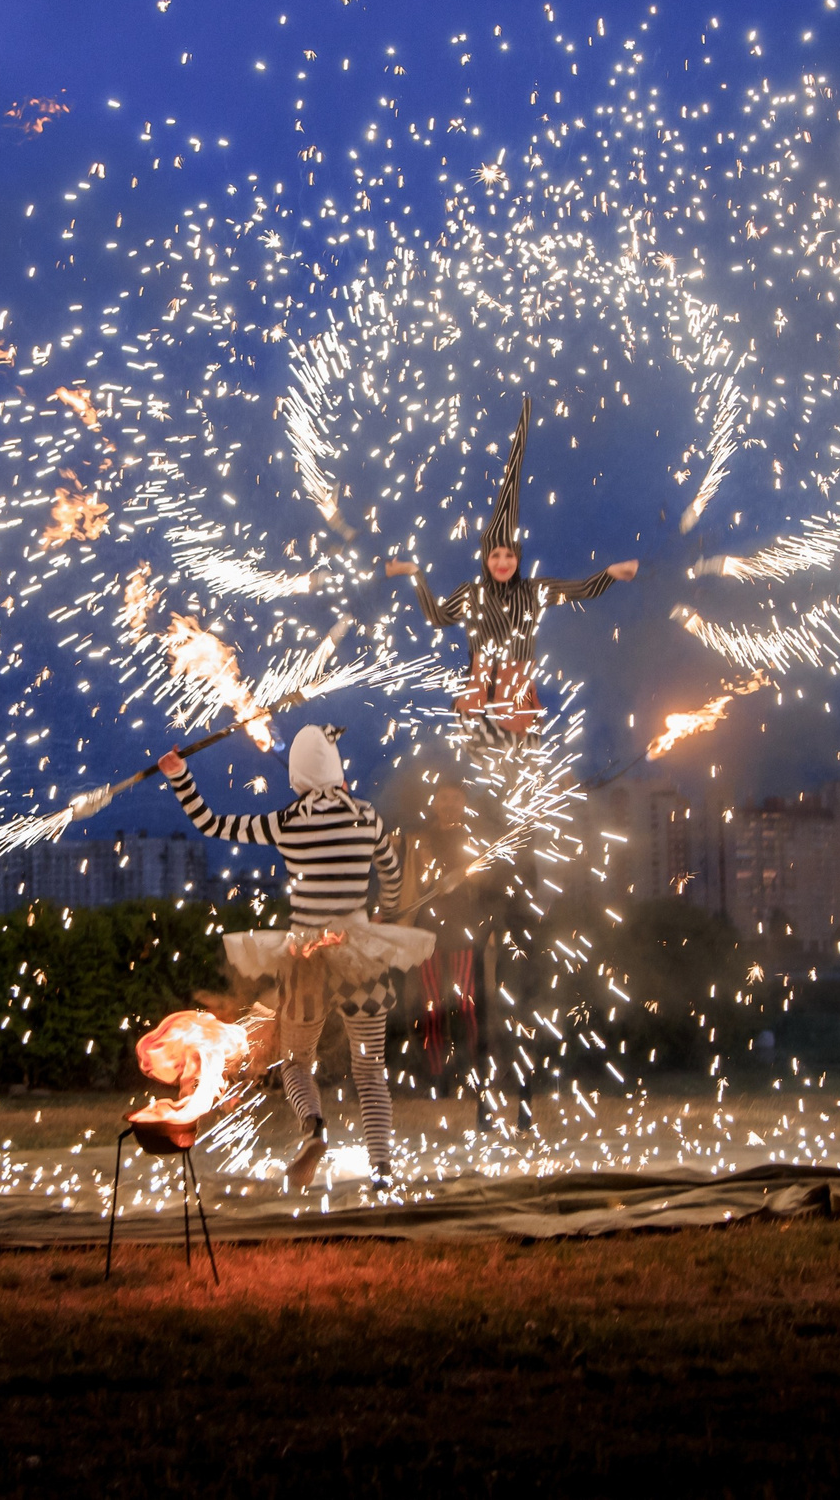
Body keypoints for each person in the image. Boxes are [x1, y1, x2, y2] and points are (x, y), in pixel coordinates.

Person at [159, 725, 431, 1189]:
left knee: (296, 1063)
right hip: (360, 956)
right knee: (370, 1070)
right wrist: (385, 910)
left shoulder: (285, 820)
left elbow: (211, 823)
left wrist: (180, 775)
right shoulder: (366, 816)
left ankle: (313, 1126)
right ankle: (382, 1170)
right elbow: (391, 872)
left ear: (300, 773)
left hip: (307, 957)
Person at [384, 396, 637, 739]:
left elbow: (582, 589)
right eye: (495, 556)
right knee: (478, 787)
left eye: (509, 555)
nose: (503, 562)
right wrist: (415, 574)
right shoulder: (470, 594)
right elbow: (438, 618)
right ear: (485, 560)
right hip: (474, 710)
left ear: (518, 558)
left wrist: (610, 574)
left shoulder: (534, 591)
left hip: (518, 710)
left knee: (520, 782)